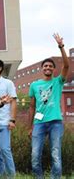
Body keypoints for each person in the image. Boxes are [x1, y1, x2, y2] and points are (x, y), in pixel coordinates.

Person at [29, 33, 69, 179]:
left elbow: (66, 65)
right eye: (45, 66)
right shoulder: (34, 85)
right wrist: (29, 126)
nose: (48, 68)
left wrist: (61, 46)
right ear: (42, 68)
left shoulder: (58, 82)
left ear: (53, 69)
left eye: (50, 66)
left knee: (56, 154)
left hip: (55, 123)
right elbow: (32, 107)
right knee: (35, 155)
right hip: (39, 123)